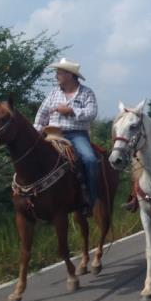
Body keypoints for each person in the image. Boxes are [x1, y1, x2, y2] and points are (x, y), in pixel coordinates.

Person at [34, 58, 99, 214]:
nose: (56, 75)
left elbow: (91, 113)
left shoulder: (86, 93)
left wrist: (71, 111)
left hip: (77, 134)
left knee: (90, 159)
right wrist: (35, 133)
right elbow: (40, 116)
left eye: (59, 72)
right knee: (32, 157)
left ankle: (91, 198)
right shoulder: (53, 94)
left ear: (70, 75)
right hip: (53, 134)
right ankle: (34, 197)